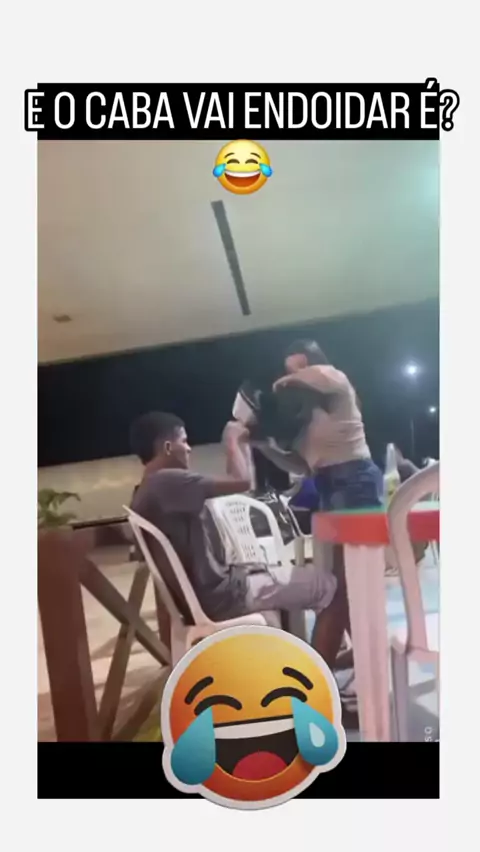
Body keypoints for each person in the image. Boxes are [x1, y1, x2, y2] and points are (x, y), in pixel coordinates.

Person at [129, 412, 339, 651]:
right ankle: (321, 668)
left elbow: (232, 484)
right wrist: (231, 440)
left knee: (290, 587)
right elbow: (243, 482)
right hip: (225, 596)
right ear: (168, 447)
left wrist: (241, 446)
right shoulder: (168, 481)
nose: (188, 449)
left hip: (208, 597)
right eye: (184, 441)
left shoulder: (146, 489)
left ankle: (302, 657)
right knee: (328, 587)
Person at [256, 339, 384, 675]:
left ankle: (314, 679)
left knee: (341, 587)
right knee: (344, 585)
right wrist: (262, 445)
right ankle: (365, 659)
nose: (296, 375)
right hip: (328, 488)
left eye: (302, 366)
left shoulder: (337, 386)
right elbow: (301, 466)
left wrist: (281, 384)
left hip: (356, 482)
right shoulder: (303, 414)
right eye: (290, 369)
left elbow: (324, 376)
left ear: (315, 362)